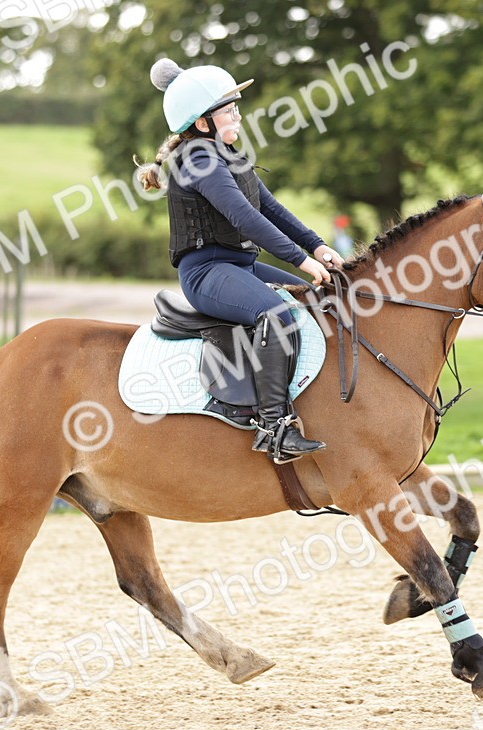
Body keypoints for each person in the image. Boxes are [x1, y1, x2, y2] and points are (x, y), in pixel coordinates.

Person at [137, 58, 344, 463]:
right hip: (206, 272)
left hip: (238, 266)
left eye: (235, 107)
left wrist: (318, 247)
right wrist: (300, 260)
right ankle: (274, 428)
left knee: (306, 302)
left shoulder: (228, 155)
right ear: (202, 123)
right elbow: (244, 219)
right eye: (228, 110)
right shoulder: (199, 161)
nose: (237, 115)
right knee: (277, 315)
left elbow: (271, 209)